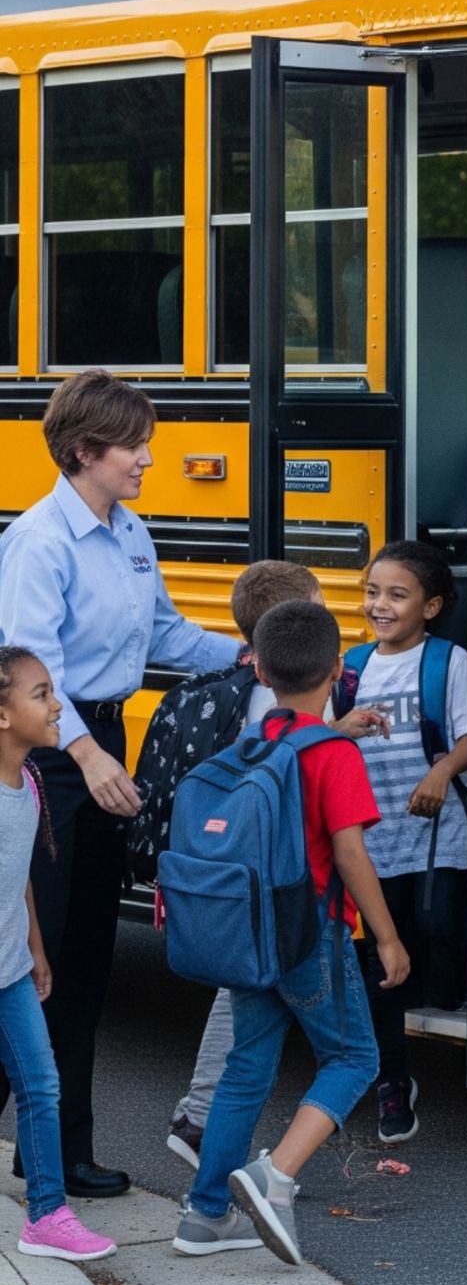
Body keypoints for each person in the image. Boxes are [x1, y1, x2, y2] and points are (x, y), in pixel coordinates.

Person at [0, 370, 241, 1197]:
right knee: (35, 959)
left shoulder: (128, 530)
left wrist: (247, 653)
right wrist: (89, 757)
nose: (146, 457)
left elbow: (165, 631)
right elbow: (34, 672)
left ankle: (61, 1152)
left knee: (89, 960)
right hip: (47, 759)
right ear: (83, 451)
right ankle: (40, 1144)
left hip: (100, 736)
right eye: (132, 444)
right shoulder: (41, 542)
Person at [172, 598, 408, 1265]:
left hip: (252, 936)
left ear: (261, 671)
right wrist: (386, 937)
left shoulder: (257, 741)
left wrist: (340, 731)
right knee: (354, 1059)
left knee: (247, 1068)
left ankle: (205, 1213)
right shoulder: (332, 755)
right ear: (340, 666)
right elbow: (350, 851)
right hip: (313, 936)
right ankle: (276, 1173)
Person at [338, 540, 467, 1145]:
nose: (379, 605)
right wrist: (340, 728)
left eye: (396, 594)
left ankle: (448, 1014)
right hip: (371, 837)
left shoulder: (448, 660)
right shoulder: (352, 667)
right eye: (372, 592)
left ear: (432, 605)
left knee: (439, 925)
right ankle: (393, 1080)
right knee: (381, 966)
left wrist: (442, 773)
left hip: (439, 831)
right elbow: (323, 738)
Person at [0, 647, 116, 1262]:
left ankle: (47, 1214)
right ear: (2, 715)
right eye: (42, 694)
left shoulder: (32, 785)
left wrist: (38, 953)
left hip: (12, 971)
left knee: (42, 1086)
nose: (57, 706)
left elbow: (22, 879)